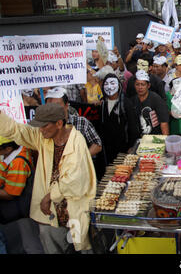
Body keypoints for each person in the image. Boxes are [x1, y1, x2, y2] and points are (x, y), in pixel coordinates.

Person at [0, 104, 97, 253]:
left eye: (44, 126)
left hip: (73, 210)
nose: (40, 130)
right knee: (50, 243)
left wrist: (50, 196)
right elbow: (16, 130)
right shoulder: (43, 137)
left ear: (59, 124)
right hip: (51, 213)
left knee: (81, 247)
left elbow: (74, 179)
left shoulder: (77, 142)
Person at [100, 74, 140, 164]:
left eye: (112, 83)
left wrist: (131, 146)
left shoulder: (126, 103)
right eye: (106, 84)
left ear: (118, 86)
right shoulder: (102, 104)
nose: (109, 87)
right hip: (108, 148)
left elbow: (133, 126)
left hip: (124, 147)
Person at [0, 137, 34, 224]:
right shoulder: (14, 151)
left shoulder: (18, 163)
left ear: (8, 149)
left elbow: (10, 194)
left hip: (13, 209)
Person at [131, 70, 170, 136]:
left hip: (155, 137)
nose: (140, 87)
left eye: (143, 84)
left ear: (148, 85)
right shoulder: (133, 100)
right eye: (137, 84)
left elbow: (164, 122)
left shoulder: (156, 99)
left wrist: (164, 140)